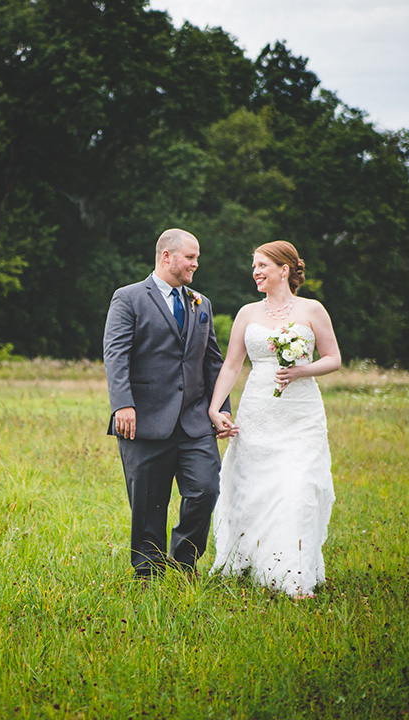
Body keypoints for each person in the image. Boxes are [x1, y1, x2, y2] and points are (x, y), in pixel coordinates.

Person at [208, 240, 340, 598]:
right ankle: (252, 561)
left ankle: (293, 577)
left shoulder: (313, 310)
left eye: (262, 265)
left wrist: (302, 370)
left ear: (284, 270)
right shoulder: (247, 313)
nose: (256, 272)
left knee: (297, 489)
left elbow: (333, 358)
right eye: (253, 266)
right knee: (255, 488)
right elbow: (232, 364)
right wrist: (215, 407)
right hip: (258, 410)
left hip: (301, 415)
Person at [103, 228, 230, 579]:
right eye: (190, 257)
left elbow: (213, 362)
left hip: (194, 420)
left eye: (197, 257)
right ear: (167, 256)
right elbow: (116, 355)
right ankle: (148, 571)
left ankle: (183, 559)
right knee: (147, 504)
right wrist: (122, 404)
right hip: (142, 418)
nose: (196, 263)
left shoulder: (201, 303)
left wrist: (221, 409)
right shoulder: (127, 298)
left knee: (206, 490)